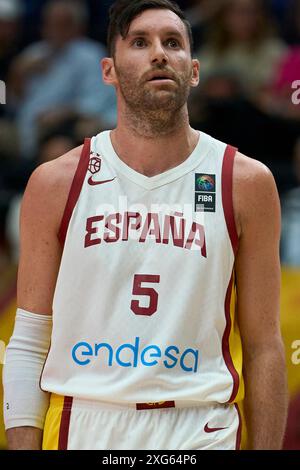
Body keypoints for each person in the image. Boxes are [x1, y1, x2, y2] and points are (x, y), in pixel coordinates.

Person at [3, 0, 288, 450]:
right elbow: (30, 338)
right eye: (140, 42)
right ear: (108, 71)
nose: (159, 53)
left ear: (193, 71)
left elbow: (264, 346)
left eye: (172, 43)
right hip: (85, 421)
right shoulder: (56, 182)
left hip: (202, 426)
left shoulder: (245, 181)